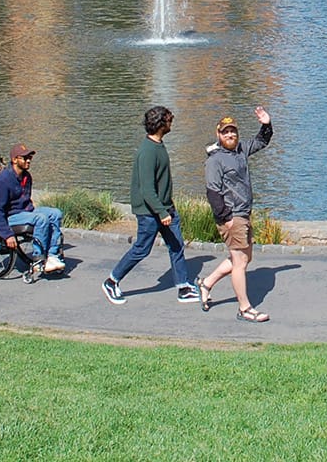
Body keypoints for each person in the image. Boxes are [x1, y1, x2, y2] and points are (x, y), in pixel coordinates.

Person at [102, 106, 200, 305]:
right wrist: (161, 211)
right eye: (169, 120)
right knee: (141, 249)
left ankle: (182, 286)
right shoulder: (147, 151)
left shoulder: (158, 145)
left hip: (165, 208)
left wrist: (167, 207)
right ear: (161, 124)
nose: (172, 122)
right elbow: (147, 189)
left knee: (176, 245)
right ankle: (111, 281)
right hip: (150, 212)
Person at [197, 107, 275, 323]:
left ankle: (206, 283)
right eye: (225, 132)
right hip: (232, 216)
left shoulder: (240, 150)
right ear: (218, 134)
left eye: (233, 131)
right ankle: (245, 309)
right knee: (240, 261)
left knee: (244, 258)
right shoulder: (215, 160)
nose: (230, 135)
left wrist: (266, 124)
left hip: (244, 212)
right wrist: (226, 218)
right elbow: (213, 192)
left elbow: (262, 141)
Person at [0, 143, 65, 276]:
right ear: (14, 160)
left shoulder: (26, 177)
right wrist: (7, 235)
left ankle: (52, 255)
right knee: (41, 219)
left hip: (26, 212)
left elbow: (27, 203)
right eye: (24, 158)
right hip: (11, 216)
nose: (28, 160)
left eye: (29, 158)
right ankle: (38, 259)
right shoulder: (3, 181)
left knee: (56, 213)